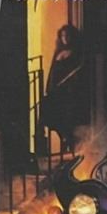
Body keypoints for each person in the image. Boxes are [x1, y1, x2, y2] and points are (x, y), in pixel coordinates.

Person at [38, 25, 90, 154]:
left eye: (68, 35)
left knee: (66, 119)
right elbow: (52, 72)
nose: (65, 38)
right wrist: (49, 87)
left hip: (68, 92)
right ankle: (64, 139)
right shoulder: (58, 52)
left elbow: (78, 72)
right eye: (62, 36)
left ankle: (69, 142)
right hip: (56, 91)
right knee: (48, 112)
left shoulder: (76, 53)